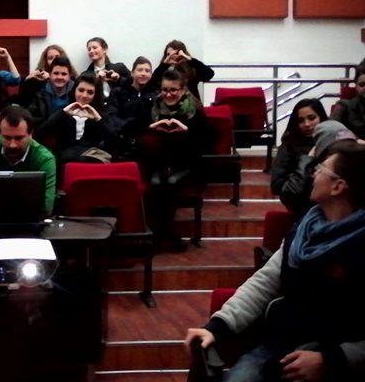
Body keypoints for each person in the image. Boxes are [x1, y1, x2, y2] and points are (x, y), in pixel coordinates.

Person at [185, 140, 365, 382]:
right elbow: (265, 282)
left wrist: (331, 360)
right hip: (280, 345)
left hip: (340, 358)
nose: (313, 173)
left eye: (321, 168)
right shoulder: (305, 227)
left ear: (338, 186)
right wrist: (217, 327)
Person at [139, 68, 210, 250]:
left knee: (170, 183)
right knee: (155, 182)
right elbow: (140, 136)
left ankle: (164, 234)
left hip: (187, 164)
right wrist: (151, 129)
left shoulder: (195, 109)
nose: (168, 94)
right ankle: (161, 234)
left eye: (173, 90)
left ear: (183, 90)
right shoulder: (153, 106)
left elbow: (204, 144)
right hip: (159, 163)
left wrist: (185, 132)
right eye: (164, 90)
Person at [36, 72, 111, 164]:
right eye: (81, 90)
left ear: (95, 95)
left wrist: (98, 118)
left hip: (91, 161)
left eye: (90, 92)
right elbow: (39, 134)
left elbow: (113, 143)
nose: (84, 95)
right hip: (65, 160)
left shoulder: (101, 115)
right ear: (74, 90)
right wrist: (63, 113)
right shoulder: (63, 112)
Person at [271, 99, 328, 216]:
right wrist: (307, 161)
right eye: (301, 120)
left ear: (321, 118)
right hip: (301, 207)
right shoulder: (289, 145)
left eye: (312, 118)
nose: (307, 124)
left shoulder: (333, 141)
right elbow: (276, 187)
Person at [105, 56, 159, 154]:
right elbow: (111, 116)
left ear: (151, 75)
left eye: (147, 71)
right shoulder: (118, 92)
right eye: (140, 70)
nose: (143, 73)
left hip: (145, 142)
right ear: (132, 73)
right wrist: (127, 127)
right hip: (121, 139)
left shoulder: (155, 95)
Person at [26, 56, 76, 128]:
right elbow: (29, 117)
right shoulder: (40, 92)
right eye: (56, 73)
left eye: (64, 74)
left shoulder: (77, 92)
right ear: (49, 74)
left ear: (69, 76)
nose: (59, 77)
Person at [330, 65, 365, 138]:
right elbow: (330, 130)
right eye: (362, 85)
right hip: (352, 143)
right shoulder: (343, 106)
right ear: (356, 86)